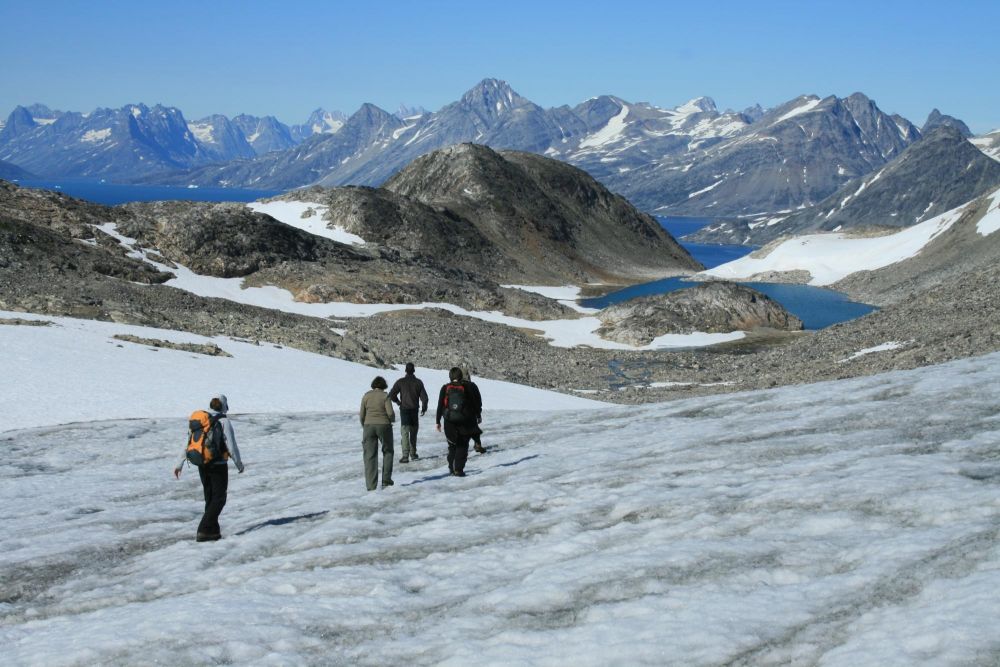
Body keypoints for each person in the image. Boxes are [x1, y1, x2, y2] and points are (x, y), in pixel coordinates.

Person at [174, 394, 244, 542]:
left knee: (210, 498)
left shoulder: (199, 420)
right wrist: (239, 464)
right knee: (219, 498)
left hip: (201, 462)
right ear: (224, 405)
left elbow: (187, 442)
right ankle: (203, 529)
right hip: (218, 464)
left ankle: (212, 532)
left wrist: (179, 464)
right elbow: (231, 445)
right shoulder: (223, 421)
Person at [436, 367, 483, 477]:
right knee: (463, 445)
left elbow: (440, 405)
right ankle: (458, 469)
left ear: (450, 377)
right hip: (465, 420)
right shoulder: (468, 387)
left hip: (449, 421)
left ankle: (451, 468)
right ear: (461, 376)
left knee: (452, 445)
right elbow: (475, 403)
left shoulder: (445, 388)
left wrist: (438, 421)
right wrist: (478, 415)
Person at [360, 375, 396, 491]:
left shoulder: (366, 396)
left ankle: (371, 485)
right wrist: (392, 420)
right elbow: (390, 413)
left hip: (368, 426)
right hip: (384, 425)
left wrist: (364, 424)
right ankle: (386, 480)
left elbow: (362, 414)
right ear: (384, 386)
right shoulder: (385, 396)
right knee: (388, 451)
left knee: (370, 456)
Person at [389, 362, 429, 463]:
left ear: (406, 370)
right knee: (414, 432)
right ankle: (413, 453)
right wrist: (424, 408)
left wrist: (398, 402)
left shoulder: (401, 382)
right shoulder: (418, 382)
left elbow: (392, 394)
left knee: (405, 432)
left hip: (405, 410)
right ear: (414, 370)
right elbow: (424, 398)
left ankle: (405, 455)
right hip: (414, 410)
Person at [461, 366, 486, 454]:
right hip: (471, 412)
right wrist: (478, 414)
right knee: (474, 429)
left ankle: (461, 448)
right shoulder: (472, 385)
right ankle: (477, 444)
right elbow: (478, 401)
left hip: (458, 413)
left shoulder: (454, 386)